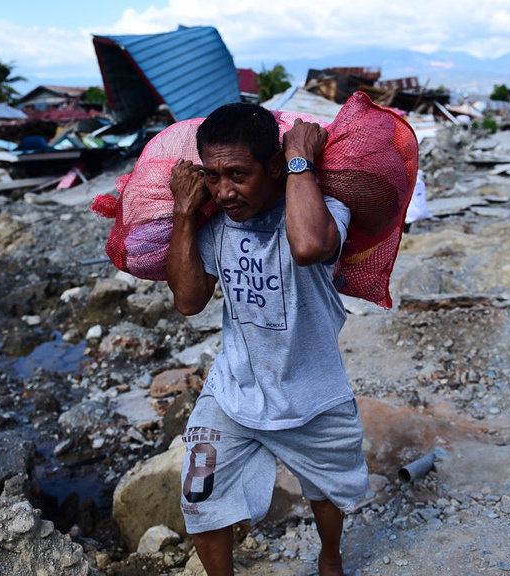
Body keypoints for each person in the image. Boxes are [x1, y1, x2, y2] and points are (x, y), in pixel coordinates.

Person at [166, 102, 369, 576]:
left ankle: (330, 557)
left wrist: (299, 156)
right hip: (233, 392)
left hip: (312, 392)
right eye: (213, 177)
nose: (225, 190)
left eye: (238, 174)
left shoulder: (324, 211)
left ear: (274, 166)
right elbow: (189, 301)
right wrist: (183, 213)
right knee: (199, 496)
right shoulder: (216, 229)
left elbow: (309, 247)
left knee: (325, 489)